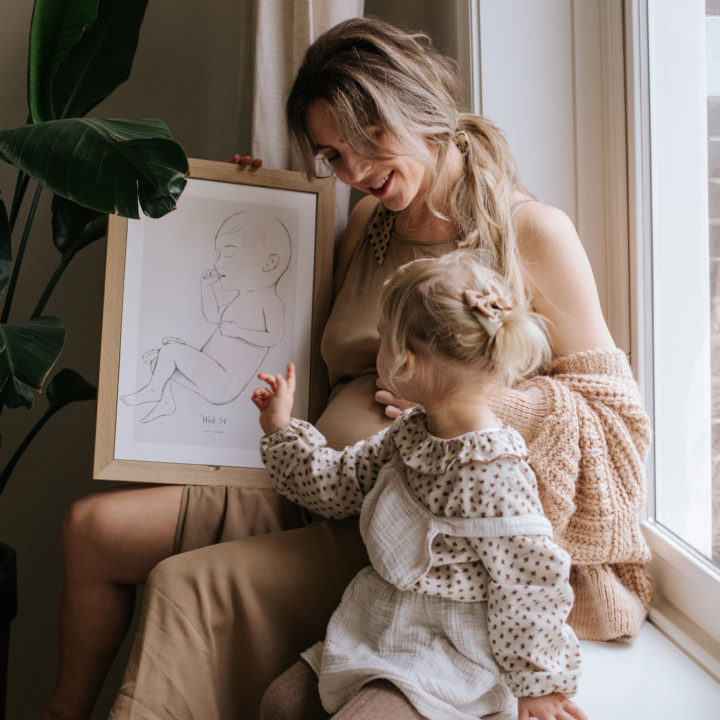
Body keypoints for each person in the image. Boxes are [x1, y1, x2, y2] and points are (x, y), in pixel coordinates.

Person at [43, 17, 652, 720]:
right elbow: (280, 316)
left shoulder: (532, 232)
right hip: (318, 479)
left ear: (416, 105)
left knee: (189, 583)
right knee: (92, 529)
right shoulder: (371, 221)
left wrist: (461, 400)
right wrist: (248, 199)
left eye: (366, 144)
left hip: (398, 523)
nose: (355, 171)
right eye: (332, 155)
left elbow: (618, 426)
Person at [253, 251, 587, 720]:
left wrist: (539, 685)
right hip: (382, 625)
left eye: (381, 341)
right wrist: (283, 429)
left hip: (452, 653)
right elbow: (337, 486)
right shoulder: (408, 433)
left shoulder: (496, 471)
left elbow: (529, 583)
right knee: (280, 704)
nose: (376, 352)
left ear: (406, 361)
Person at [120, 210, 292, 422]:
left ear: (269, 264)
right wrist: (206, 287)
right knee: (160, 358)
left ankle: (153, 391)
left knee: (171, 353)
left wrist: (238, 331)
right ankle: (166, 402)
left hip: (224, 381)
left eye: (228, 255)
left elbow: (274, 338)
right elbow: (213, 317)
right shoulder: (242, 299)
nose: (219, 264)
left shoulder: (270, 301)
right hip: (214, 376)